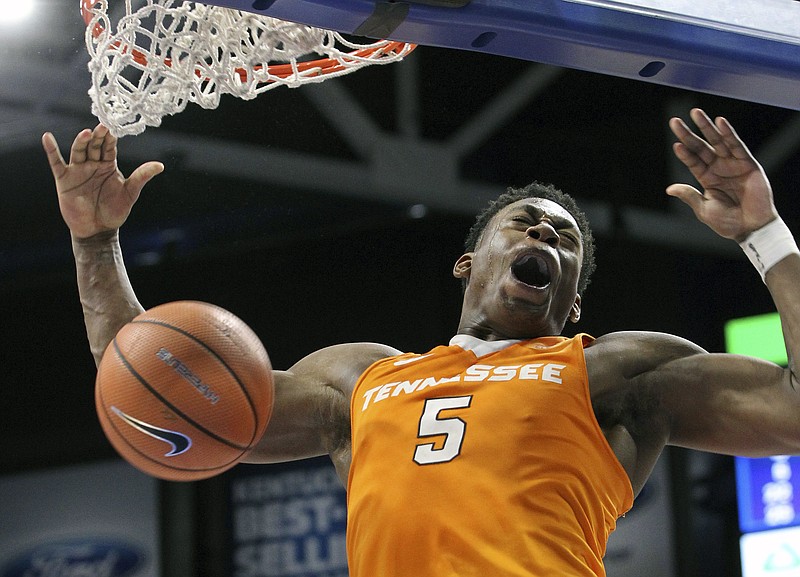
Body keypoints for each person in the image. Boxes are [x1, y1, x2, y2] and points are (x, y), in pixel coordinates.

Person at [42, 109, 800, 576]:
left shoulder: (614, 370)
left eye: (564, 239)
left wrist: (766, 236)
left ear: (574, 302)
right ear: (469, 262)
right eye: (527, 224)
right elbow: (157, 398)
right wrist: (95, 241)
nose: (545, 233)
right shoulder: (359, 379)